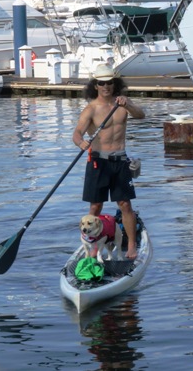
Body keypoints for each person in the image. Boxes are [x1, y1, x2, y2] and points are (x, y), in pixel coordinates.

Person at [72, 64, 145, 259]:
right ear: (95, 85)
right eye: (101, 83)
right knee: (95, 206)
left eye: (109, 82)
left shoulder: (122, 105)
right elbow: (77, 133)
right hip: (98, 162)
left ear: (115, 84)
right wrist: (81, 142)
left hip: (120, 160)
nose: (106, 86)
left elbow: (141, 115)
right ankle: (92, 243)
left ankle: (130, 245)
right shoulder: (91, 109)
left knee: (125, 204)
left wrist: (128, 104)